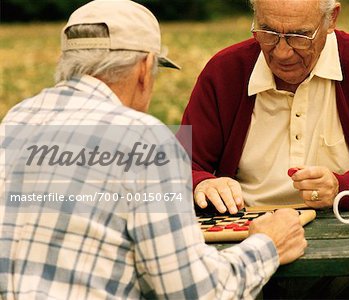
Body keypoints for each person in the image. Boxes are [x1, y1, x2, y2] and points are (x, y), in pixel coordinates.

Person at [0, 0, 308, 299]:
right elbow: (195, 292)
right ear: (145, 69)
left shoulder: (15, 121)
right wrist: (268, 245)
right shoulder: (144, 140)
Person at [179, 0, 349, 298]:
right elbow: (174, 171)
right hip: (246, 253)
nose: (281, 51)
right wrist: (203, 182)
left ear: (331, 20)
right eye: (267, 31)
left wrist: (341, 187)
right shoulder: (226, 70)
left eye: (298, 36)